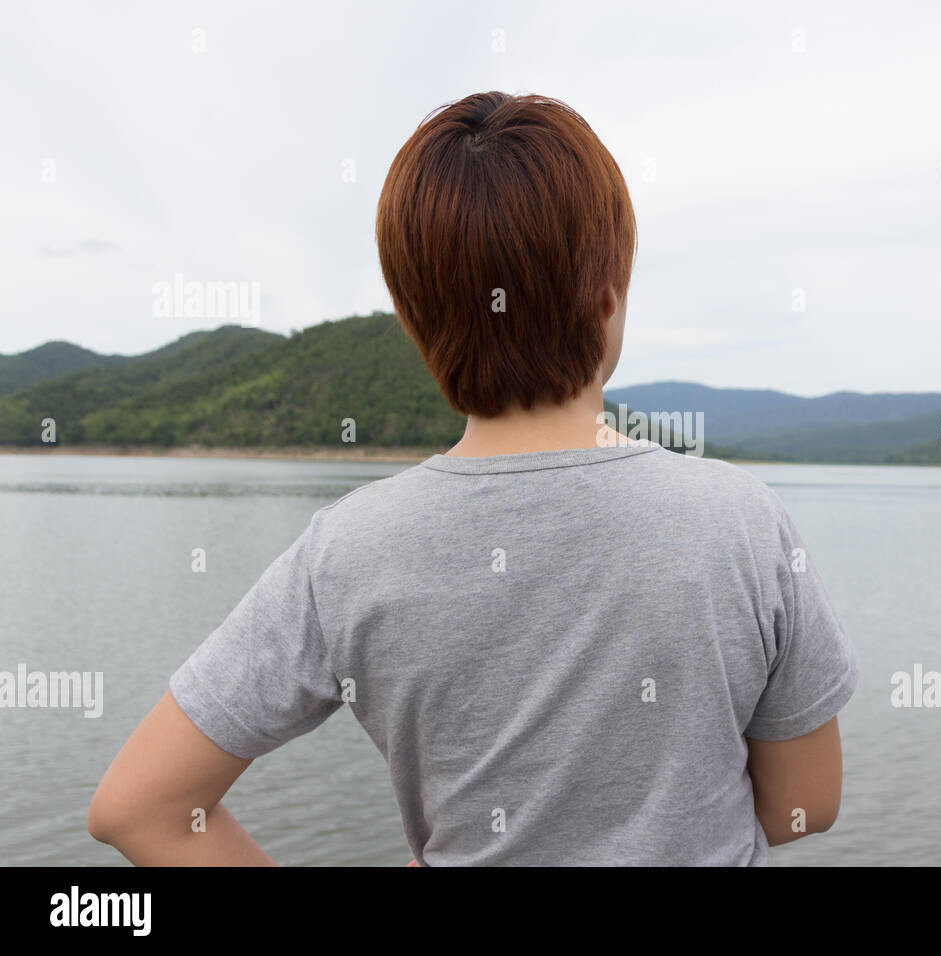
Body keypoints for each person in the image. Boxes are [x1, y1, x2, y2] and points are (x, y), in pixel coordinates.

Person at [87, 92, 859, 866]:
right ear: (608, 295)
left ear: (413, 320)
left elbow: (140, 809)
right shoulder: (740, 520)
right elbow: (803, 805)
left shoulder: (348, 551)